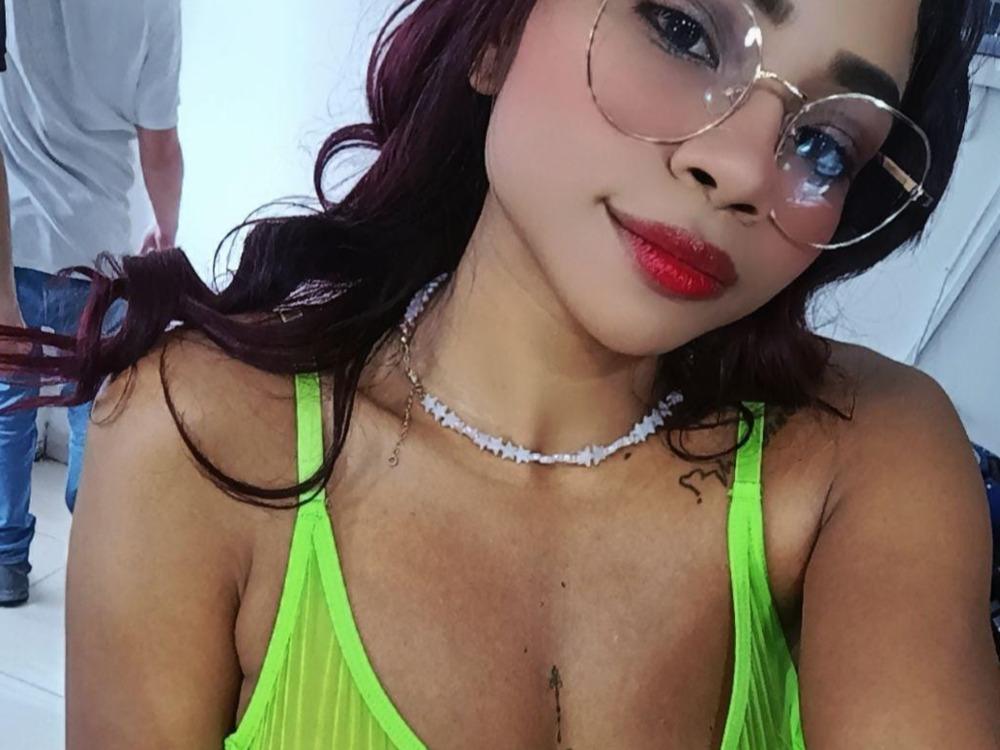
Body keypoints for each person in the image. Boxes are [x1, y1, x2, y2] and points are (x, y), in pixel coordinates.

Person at [2, 0, 999, 746]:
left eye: (825, 144)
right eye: (685, 32)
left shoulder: (865, 457)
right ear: (495, 32)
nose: (743, 169)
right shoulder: (196, 440)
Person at [0, 0, 183, 607]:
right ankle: (95, 547)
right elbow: (159, 145)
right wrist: (166, 229)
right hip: (99, 251)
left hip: (14, 243)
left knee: (9, 411)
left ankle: (5, 560)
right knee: (96, 410)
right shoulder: (155, 7)